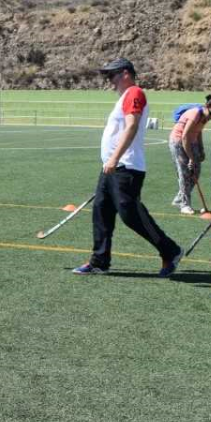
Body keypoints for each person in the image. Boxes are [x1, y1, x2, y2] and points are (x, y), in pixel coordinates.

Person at [73, 58, 182, 277]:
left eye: (111, 76)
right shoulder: (124, 96)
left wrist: (114, 158)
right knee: (101, 212)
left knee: (130, 213)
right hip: (112, 167)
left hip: (125, 166)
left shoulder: (134, 93)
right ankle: (99, 260)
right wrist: (110, 161)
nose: (109, 81)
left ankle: (170, 250)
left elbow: (131, 126)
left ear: (125, 73)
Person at [169, 97, 211, 214]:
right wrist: (190, 158)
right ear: (207, 107)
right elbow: (184, 137)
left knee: (196, 171)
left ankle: (179, 199)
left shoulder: (205, 117)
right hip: (178, 141)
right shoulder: (195, 113)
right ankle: (184, 204)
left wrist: (201, 149)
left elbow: (199, 132)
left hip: (192, 142)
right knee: (184, 173)